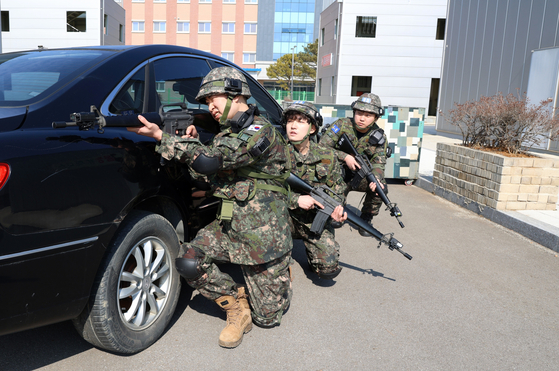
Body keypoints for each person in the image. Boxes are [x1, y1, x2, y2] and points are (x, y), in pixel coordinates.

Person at [127, 67, 293, 348]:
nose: (209, 106)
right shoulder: (225, 134)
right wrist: (190, 142)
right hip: (231, 228)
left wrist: (162, 137)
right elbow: (205, 174)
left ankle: (279, 267)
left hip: (265, 238)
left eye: (213, 98)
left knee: (268, 317)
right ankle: (236, 307)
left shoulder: (260, 131)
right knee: (188, 260)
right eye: (205, 102)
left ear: (235, 95)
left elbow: (209, 161)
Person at [283, 102, 348, 279]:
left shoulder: (328, 156)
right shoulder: (277, 154)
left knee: (328, 269)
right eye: (290, 121)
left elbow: (338, 188)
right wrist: (296, 200)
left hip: (313, 220)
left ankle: (313, 252)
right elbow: (265, 193)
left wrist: (338, 209)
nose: (293, 126)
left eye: (300, 121)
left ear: (312, 128)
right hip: (282, 217)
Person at [319, 93, 390, 237]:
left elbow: (379, 162)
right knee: (330, 178)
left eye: (368, 115)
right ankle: (336, 211)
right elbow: (321, 148)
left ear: (376, 117)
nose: (362, 118)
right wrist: (344, 157)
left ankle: (366, 218)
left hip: (360, 176)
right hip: (338, 175)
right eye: (359, 113)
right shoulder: (341, 125)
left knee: (380, 186)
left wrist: (376, 178)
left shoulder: (379, 137)